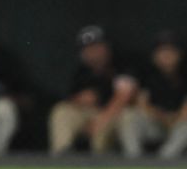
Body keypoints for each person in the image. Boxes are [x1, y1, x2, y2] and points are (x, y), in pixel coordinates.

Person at [48, 25, 138, 156]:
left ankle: (101, 166)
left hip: (115, 114)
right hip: (92, 114)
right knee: (61, 111)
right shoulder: (82, 72)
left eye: (97, 47)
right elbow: (70, 100)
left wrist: (101, 120)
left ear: (107, 48)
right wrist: (79, 99)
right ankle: (61, 158)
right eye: (88, 49)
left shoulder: (121, 65)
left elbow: (124, 96)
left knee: (105, 127)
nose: (93, 53)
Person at [118, 32, 187, 158]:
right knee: (129, 116)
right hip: (155, 122)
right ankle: (134, 160)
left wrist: (173, 119)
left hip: (178, 125)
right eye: (162, 52)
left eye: (171, 51)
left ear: (179, 55)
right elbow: (143, 104)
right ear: (154, 56)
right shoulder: (148, 72)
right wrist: (162, 117)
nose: (166, 55)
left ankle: (164, 160)